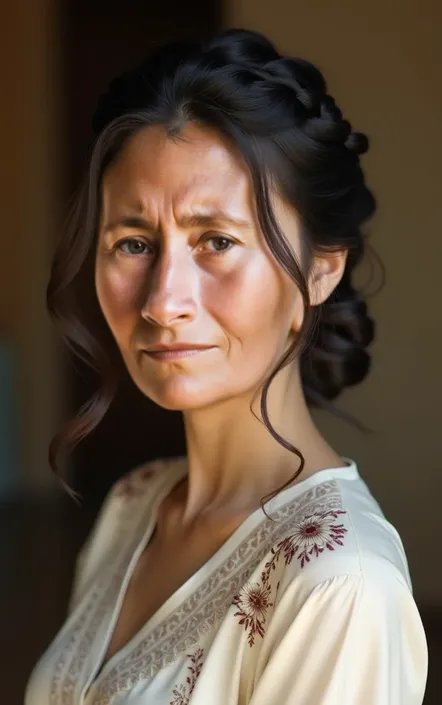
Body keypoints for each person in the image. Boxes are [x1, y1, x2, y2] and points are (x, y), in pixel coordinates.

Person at [25, 28, 428, 705]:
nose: (163, 301)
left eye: (216, 240)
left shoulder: (339, 583)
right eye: (132, 241)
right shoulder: (135, 503)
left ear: (322, 269)